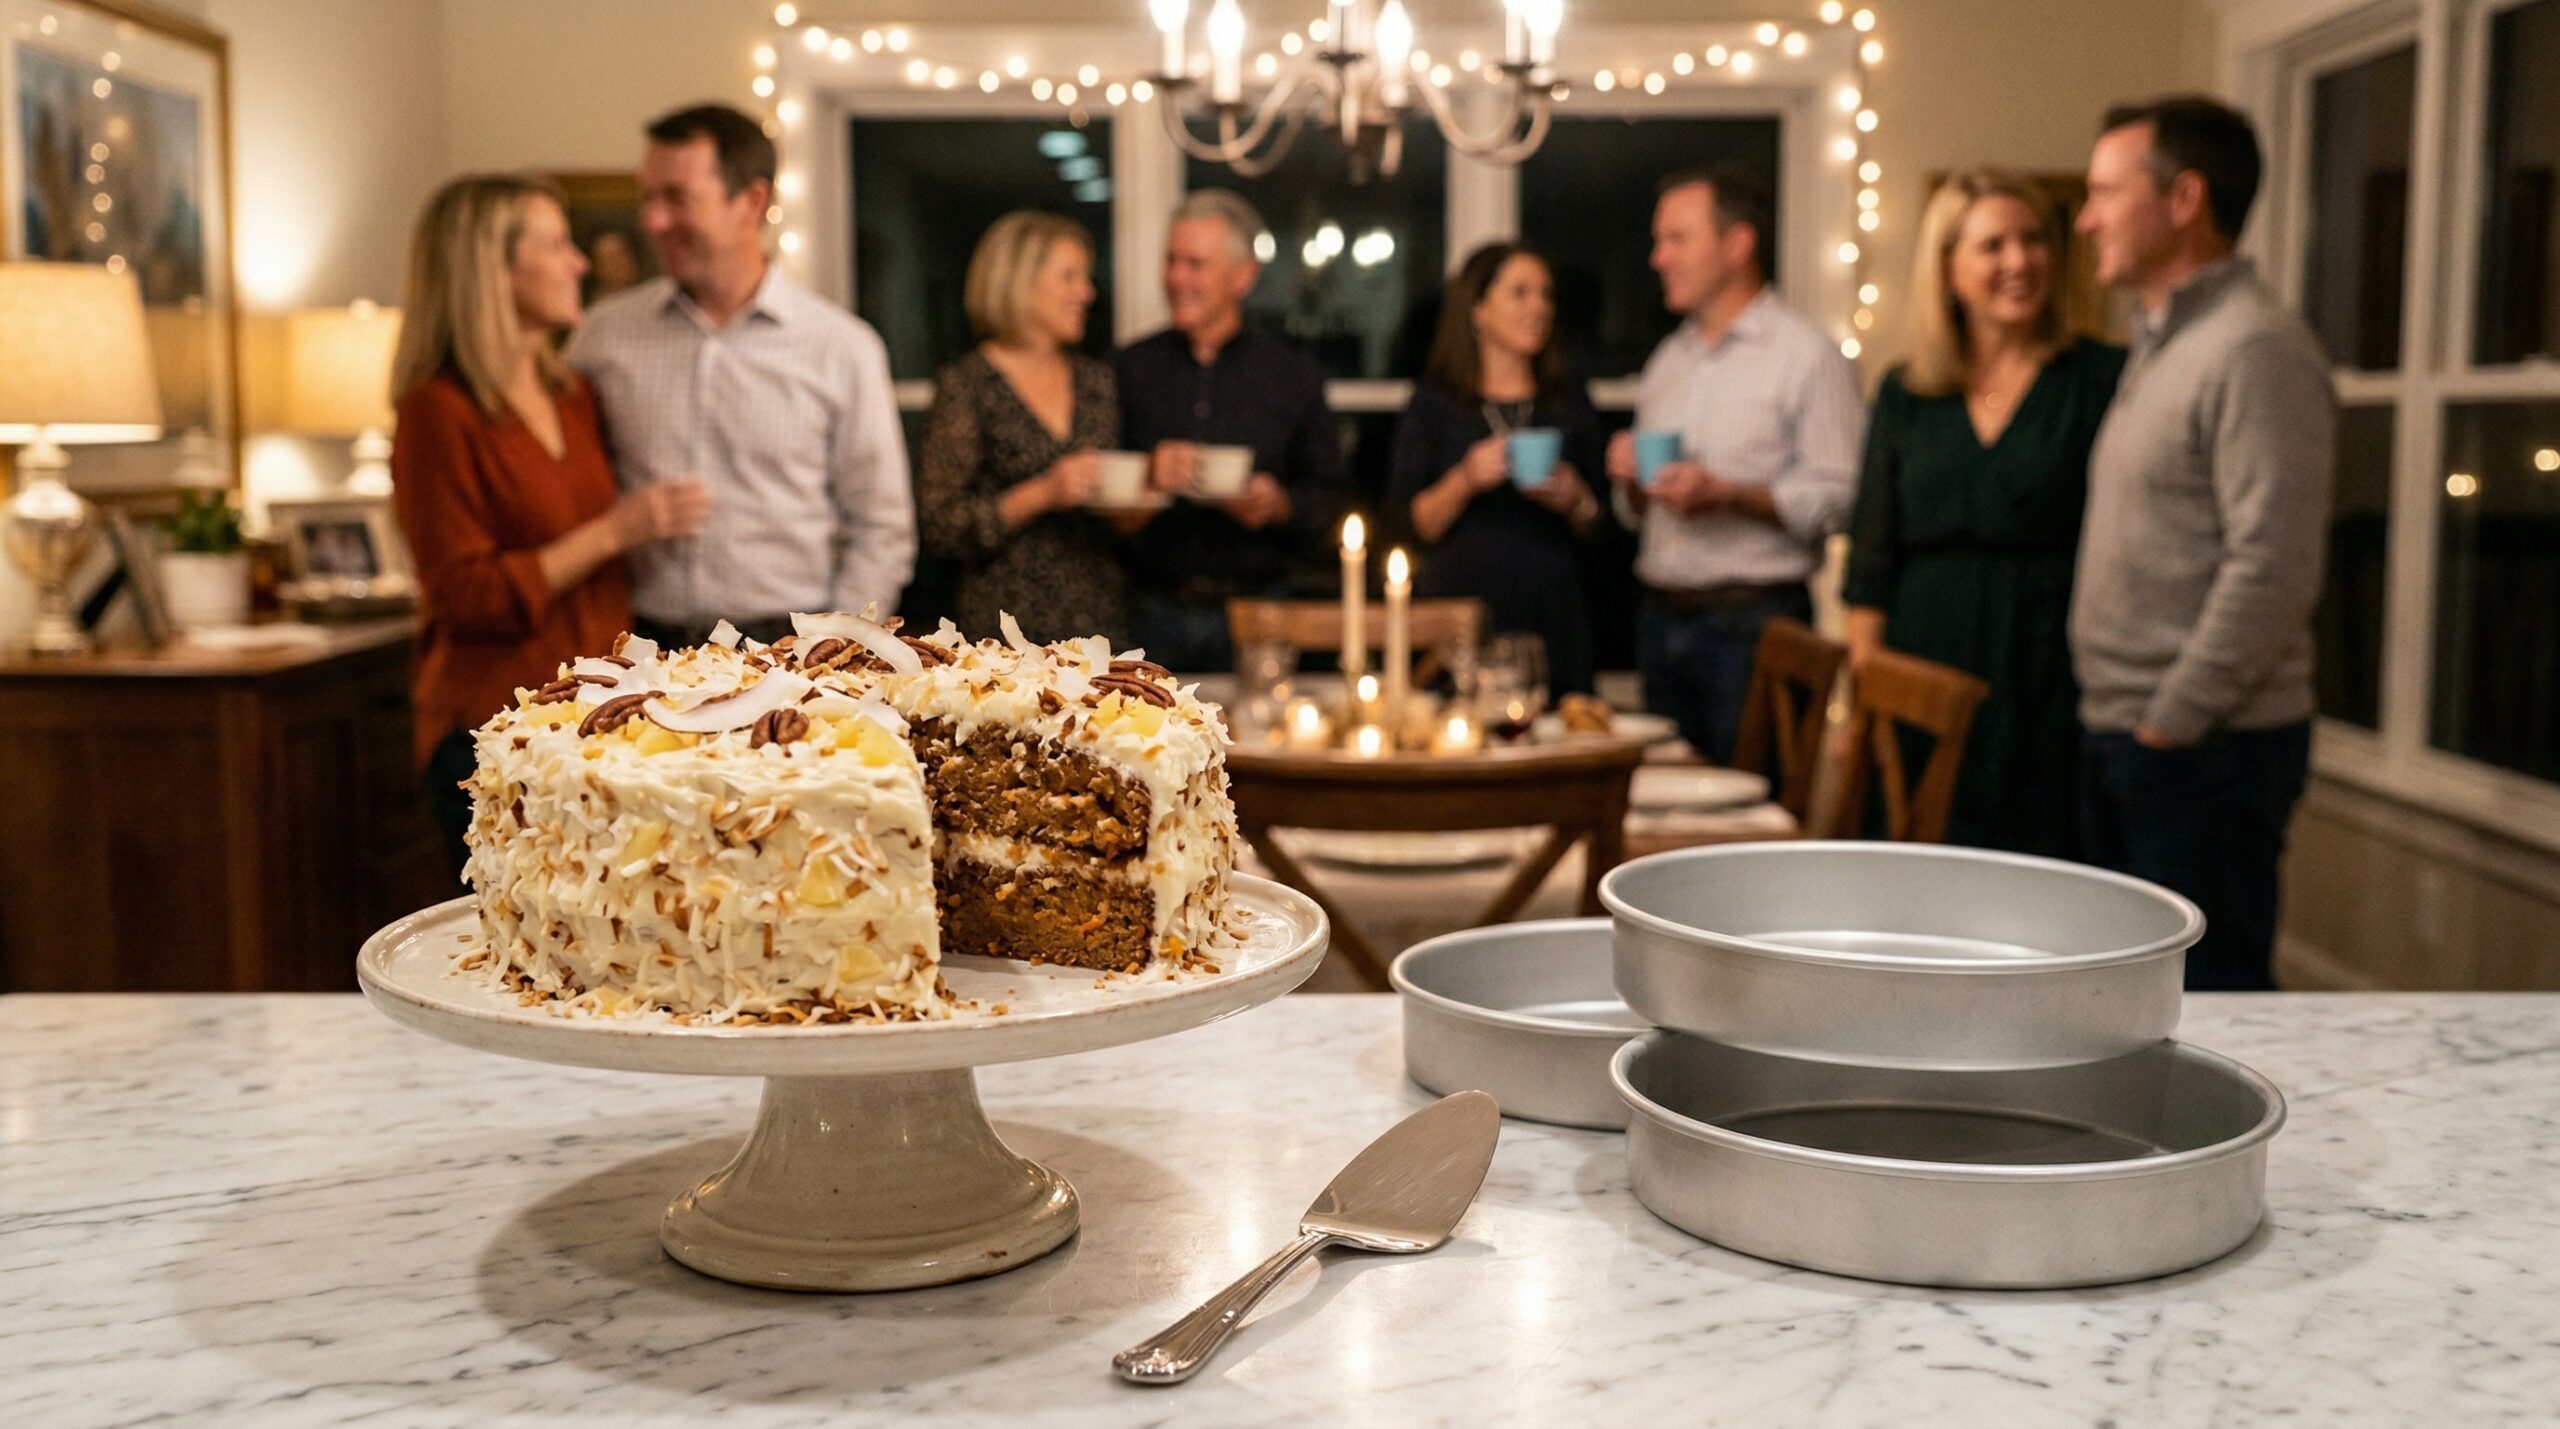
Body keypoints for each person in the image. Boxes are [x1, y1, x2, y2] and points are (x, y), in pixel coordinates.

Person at [2072, 96, 2335, 991]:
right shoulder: (2161, 342)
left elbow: (2274, 564)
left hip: (2203, 749)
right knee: (2135, 1008)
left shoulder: (2255, 346)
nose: (2085, 216)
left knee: (2210, 1009)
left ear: (2184, 198)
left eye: (2107, 190)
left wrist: (2169, 721)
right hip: (2133, 736)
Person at [388, 175, 709, 877]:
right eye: (559, 244)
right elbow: (463, 594)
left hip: (597, 722)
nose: (582, 262)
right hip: (494, 728)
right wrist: (614, 532)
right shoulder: (437, 413)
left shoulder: (573, 394)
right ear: (493, 270)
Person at [1842, 171, 2126, 858]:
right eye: (1992, 245)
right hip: (1925, 659)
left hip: (2050, 663)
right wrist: (1870, 687)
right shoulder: (1907, 391)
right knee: (1920, 869)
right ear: (1947, 269)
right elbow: (1871, 554)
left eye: (2033, 240)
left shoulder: (2100, 377)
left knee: (2045, 861)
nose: (2019, 261)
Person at [570, 103, 911, 648]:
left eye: (677, 199)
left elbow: (882, 528)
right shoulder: (604, 336)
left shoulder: (841, 347)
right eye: (648, 199)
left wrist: (833, 647)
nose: (653, 221)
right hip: (638, 646)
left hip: (786, 648)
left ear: (751, 202)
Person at [1603, 163, 1863, 762]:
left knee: (1750, 829)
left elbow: (1840, 497)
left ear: (1737, 244)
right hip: (1659, 619)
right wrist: (1633, 481)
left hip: (1755, 627)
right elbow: (1638, 515)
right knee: (1665, 809)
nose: (1657, 257)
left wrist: (1729, 494)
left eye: (1676, 238)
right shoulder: (1668, 360)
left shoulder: (1807, 355)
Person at [1115, 189, 1348, 670]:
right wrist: (1147, 474)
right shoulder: (1129, 368)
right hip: (1151, 610)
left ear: (1243, 276)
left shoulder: (1292, 375)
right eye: (1171, 261)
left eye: (1195, 264)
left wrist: (1278, 503)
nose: (1176, 278)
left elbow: (1330, 497)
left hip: (1262, 610)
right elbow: (1095, 487)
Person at [1387, 242, 1606, 694]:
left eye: (1545, 295)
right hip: (1454, 614)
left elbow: (1602, 528)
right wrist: (1465, 479)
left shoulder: (1567, 401)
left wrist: (1574, 497)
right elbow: (1411, 526)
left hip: (1552, 612)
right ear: (1478, 309)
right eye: (1520, 293)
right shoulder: (1433, 405)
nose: (1538, 307)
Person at [916, 210, 1129, 644]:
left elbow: (1111, 513)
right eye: (1069, 277)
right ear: (1020, 282)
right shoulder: (968, 385)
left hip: (1099, 622)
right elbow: (941, 527)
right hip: (1005, 633)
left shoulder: (1096, 380)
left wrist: (1137, 499)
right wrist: (1045, 492)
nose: (1086, 293)